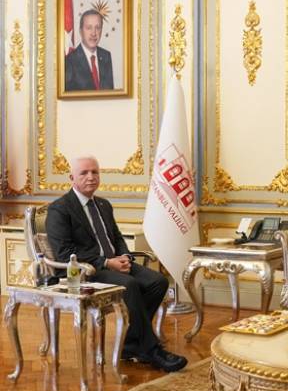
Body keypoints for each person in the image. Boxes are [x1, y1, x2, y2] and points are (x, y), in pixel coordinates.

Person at [46, 155, 187, 372]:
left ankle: (130, 344)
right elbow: (65, 254)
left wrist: (125, 257)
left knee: (158, 282)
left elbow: (117, 237)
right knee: (129, 285)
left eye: (95, 172)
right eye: (84, 173)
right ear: (71, 177)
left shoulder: (103, 205)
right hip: (85, 271)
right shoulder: (60, 209)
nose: (91, 177)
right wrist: (106, 262)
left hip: (114, 263)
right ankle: (151, 350)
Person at [65, 10, 114, 91]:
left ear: (101, 30)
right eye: (89, 28)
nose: (93, 33)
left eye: (97, 28)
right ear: (80, 31)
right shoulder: (69, 61)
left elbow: (110, 93)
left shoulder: (106, 56)